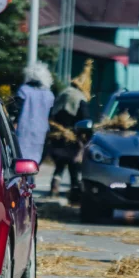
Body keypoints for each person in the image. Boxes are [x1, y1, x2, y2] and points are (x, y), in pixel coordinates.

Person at [47, 66, 92, 202]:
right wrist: (86, 137)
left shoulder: (62, 93)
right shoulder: (79, 98)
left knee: (60, 165)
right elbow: (85, 119)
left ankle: (54, 188)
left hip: (57, 135)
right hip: (72, 136)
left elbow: (51, 113)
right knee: (74, 166)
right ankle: (75, 193)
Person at [14, 63, 55, 164]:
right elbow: (51, 117)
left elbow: (15, 110)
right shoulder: (49, 95)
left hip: (23, 131)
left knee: (19, 159)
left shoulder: (23, 90)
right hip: (41, 132)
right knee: (34, 162)